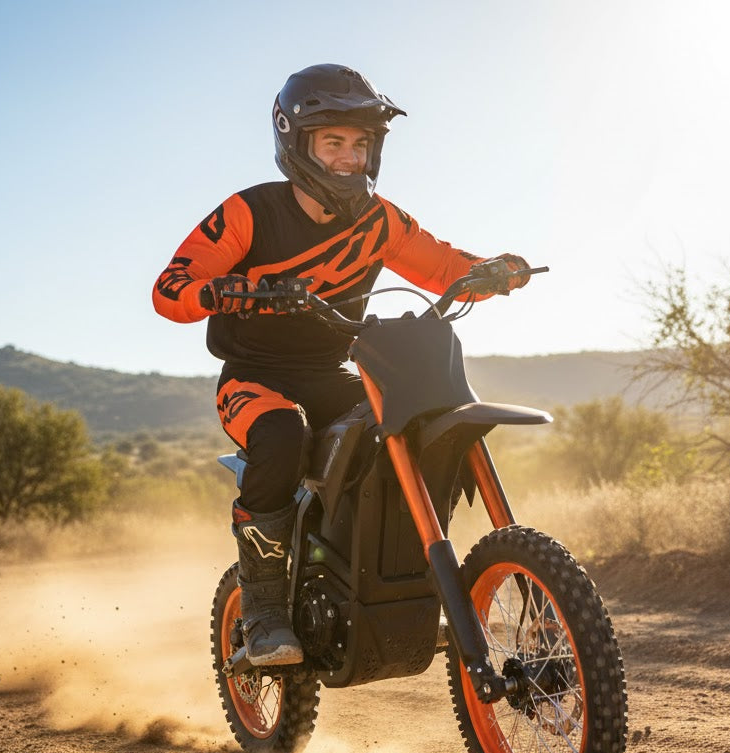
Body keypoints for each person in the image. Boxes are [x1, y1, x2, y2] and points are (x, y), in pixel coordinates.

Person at [152, 63, 531, 667]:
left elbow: (440, 265)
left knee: (406, 427)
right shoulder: (249, 212)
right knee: (281, 435)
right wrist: (221, 292)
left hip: (334, 374)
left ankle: (402, 576)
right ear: (296, 143)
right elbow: (169, 289)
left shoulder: (380, 221)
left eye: (361, 144)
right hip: (254, 380)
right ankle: (265, 613)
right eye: (334, 142)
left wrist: (492, 272)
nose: (351, 158)